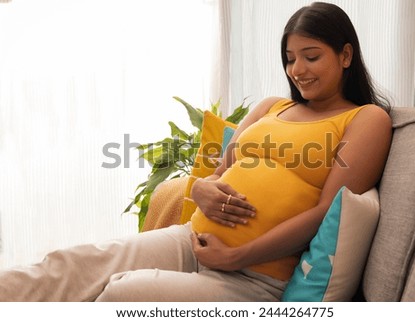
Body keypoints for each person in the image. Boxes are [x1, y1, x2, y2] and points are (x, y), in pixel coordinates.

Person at [0, 2, 392, 301]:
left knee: (123, 294)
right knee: (72, 264)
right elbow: (217, 174)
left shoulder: (366, 119)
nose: (297, 70)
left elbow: (327, 213)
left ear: (345, 55)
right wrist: (201, 189)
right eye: (290, 59)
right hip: (191, 241)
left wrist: (238, 257)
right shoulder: (271, 106)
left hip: (253, 277)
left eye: (311, 56)